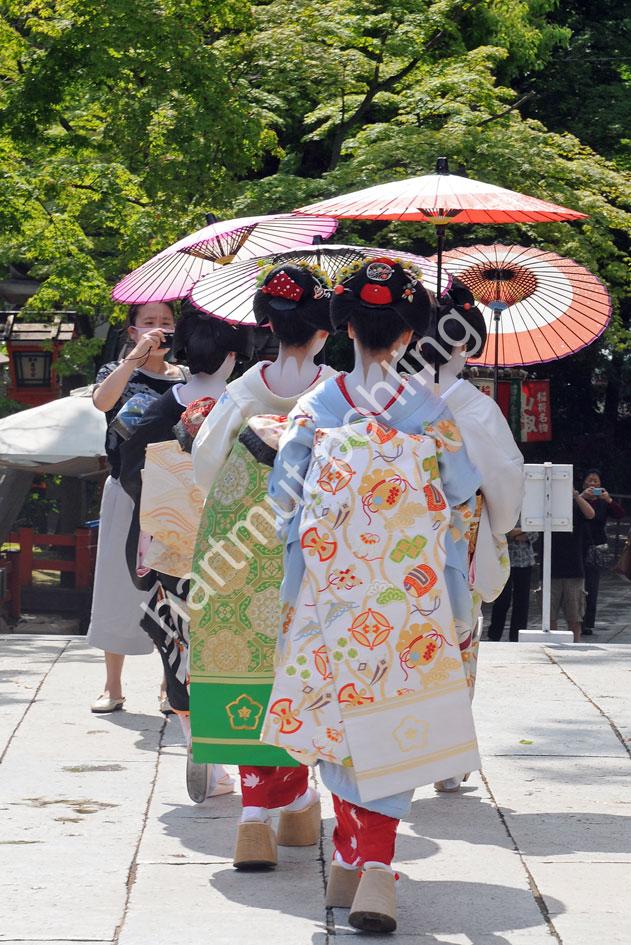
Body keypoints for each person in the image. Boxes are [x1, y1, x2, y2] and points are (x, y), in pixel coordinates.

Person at [262, 258, 481, 933]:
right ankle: (372, 865)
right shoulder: (430, 409)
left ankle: (359, 860)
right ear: (410, 333)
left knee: (340, 726)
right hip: (410, 597)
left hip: (329, 590)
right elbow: (463, 490)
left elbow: (281, 502)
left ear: (346, 325)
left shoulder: (315, 408)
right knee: (399, 720)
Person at [188, 263, 337, 867]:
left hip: (241, 548)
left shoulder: (244, 390)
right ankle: (298, 800)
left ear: (267, 324)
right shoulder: (340, 394)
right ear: (327, 330)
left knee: (245, 665)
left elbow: (203, 465)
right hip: (314, 547)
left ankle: (258, 813)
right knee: (306, 669)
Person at [118, 305, 255, 799]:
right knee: (233, 645)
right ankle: (230, 750)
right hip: (237, 544)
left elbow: (128, 471)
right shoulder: (246, 407)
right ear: (233, 357)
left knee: (177, 640)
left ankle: (194, 738)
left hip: (170, 543)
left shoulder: (154, 407)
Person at [410, 279, 524, 788]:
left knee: (403, 635)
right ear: (461, 343)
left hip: (394, 537)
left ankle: (400, 748)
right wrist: (497, 525)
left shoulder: (388, 398)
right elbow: (504, 474)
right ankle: (450, 760)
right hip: (457, 535)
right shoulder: (475, 407)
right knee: (457, 637)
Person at [87, 301, 186, 714]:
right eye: (149, 323)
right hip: (126, 490)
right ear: (132, 331)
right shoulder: (117, 373)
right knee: (116, 582)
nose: (158, 330)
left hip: (175, 496)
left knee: (172, 587)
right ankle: (113, 685)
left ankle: (170, 684)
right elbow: (100, 402)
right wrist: (134, 358)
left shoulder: (187, 380)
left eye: (165, 323)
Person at [580, 469, 625, 635]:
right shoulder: (579, 499)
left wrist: (609, 500)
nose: (593, 484)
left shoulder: (603, 502)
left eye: (596, 482)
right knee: (577, 586)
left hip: (596, 547)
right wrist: (582, 497)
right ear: (584, 484)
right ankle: (577, 619)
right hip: (579, 546)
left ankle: (587, 622)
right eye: (590, 481)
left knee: (592, 586)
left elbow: (620, 514)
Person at [550, 487, 595, 642]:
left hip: (574, 568)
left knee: (575, 617)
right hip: (550, 568)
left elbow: (591, 514)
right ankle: (553, 644)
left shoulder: (576, 505)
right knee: (549, 616)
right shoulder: (547, 506)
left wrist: (576, 496)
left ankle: (576, 644)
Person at [488, 527, 537, 641]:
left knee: (522, 601)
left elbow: (534, 532)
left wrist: (514, 534)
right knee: (502, 599)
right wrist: (519, 532)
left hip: (525, 562)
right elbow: (500, 532)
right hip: (504, 561)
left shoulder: (528, 509)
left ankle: (517, 636)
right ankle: (494, 635)